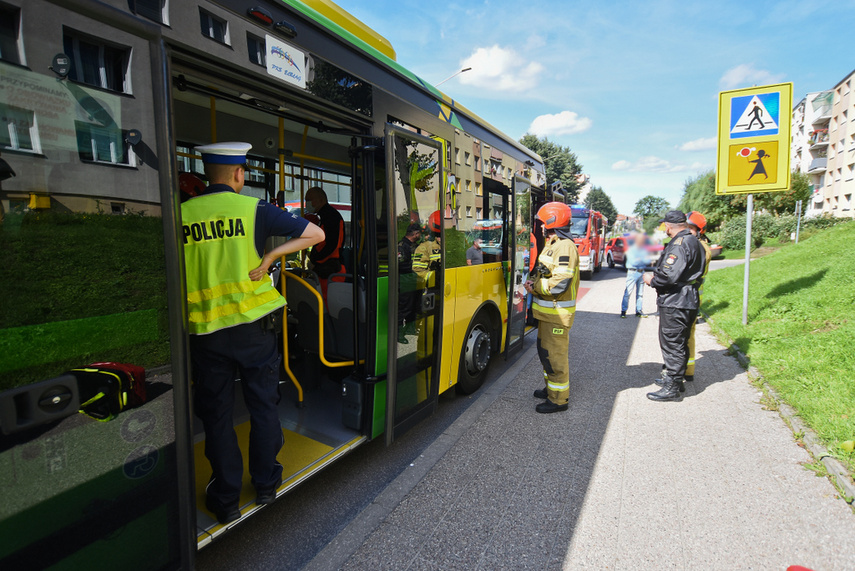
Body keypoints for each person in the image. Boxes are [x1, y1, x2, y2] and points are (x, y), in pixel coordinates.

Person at [182, 142, 324, 524]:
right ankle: (265, 485)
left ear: (207, 173)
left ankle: (226, 499)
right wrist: (272, 256)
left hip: (207, 332)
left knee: (217, 415)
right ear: (238, 173)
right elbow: (315, 235)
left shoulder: (181, 214)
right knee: (263, 406)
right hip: (254, 330)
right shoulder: (253, 209)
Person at [642, 210, 705, 402]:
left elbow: (668, 276)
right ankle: (676, 380)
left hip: (676, 300)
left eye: (665, 226)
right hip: (687, 299)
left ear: (669, 226)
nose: (665, 229)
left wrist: (652, 280)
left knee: (672, 343)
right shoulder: (694, 241)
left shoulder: (680, 244)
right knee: (681, 341)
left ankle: (672, 387)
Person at [524, 202, 580, 413]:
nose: (540, 226)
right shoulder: (554, 244)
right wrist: (532, 281)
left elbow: (560, 283)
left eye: (542, 222)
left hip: (557, 315)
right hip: (548, 314)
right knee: (546, 354)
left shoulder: (564, 246)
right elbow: (545, 272)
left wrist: (535, 288)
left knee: (555, 358)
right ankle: (551, 390)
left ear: (552, 221)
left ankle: (558, 400)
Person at [684, 211, 712, 381]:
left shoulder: (700, 248)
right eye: (685, 227)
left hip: (690, 297)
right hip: (691, 296)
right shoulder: (697, 244)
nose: (687, 231)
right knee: (686, 333)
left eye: (691, 228)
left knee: (686, 334)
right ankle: (685, 368)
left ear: (700, 231)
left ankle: (686, 370)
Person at [305, 187, 345, 297]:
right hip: (325, 269)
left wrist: (315, 260)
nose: (307, 203)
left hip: (331, 270)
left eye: (309, 200)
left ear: (321, 200)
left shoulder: (331, 217)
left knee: (327, 302)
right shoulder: (323, 216)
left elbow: (332, 245)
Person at [397, 223, 422, 343]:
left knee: (414, 306)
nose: (420, 235)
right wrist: (415, 268)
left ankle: (410, 328)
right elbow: (400, 265)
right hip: (405, 281)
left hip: (413, 281)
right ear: (415, 234)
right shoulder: (402, 246)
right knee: (404, 308)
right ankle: (398, 333)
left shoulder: (415, 246)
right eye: (419, 233)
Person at [620, 233, 649, 318]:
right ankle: (623, 311)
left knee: (640, 294)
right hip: (632, 272)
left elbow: (648, 261)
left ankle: (639, 311)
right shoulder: (631, 250)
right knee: (628, 292)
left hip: (642, 272)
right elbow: (634, 262)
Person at [412, 211, 442, 287]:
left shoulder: (454, 245)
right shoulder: (424, 247)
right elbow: (418, 272)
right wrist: (435, 277)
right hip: (436, 289)